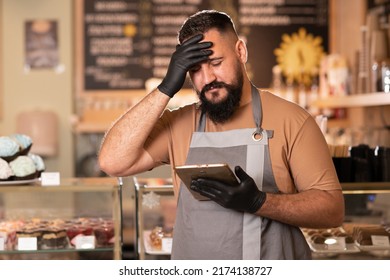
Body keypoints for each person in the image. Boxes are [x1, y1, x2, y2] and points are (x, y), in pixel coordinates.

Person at [98, 10, 344, 260]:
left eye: (216, 63)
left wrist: (260, 202)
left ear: (241, 52)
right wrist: (166, 87)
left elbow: (332, 210)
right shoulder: (181, 124)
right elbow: (112, 162)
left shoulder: (292, 120)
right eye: (194, 69)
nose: (208, 79)